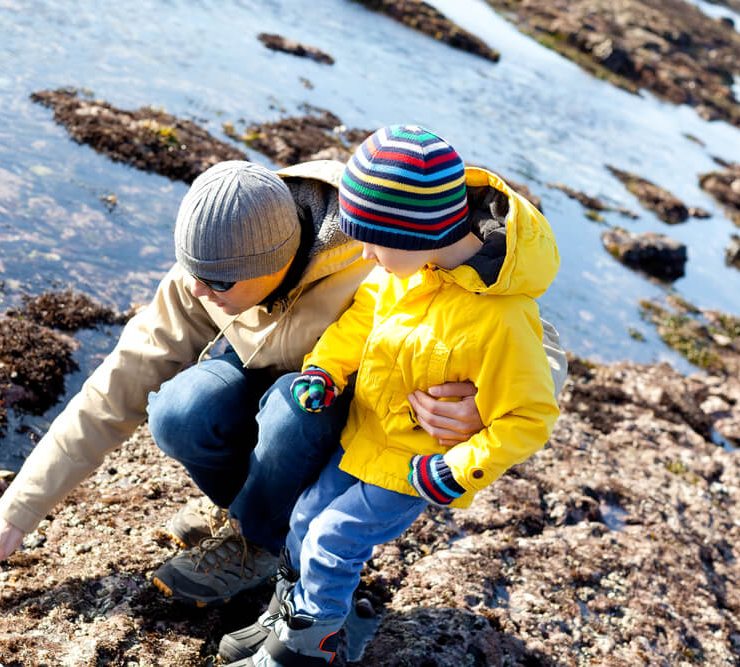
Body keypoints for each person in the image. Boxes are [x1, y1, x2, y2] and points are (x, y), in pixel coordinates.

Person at [0, 157, 568, 606]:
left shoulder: (381, 243)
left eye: (216, 284)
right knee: (179, 411)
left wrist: (484, 410)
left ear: (275, 269)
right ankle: (252, 519)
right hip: (267, 378)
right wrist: (14, 515)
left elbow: (525, 319)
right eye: (190, 272)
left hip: (343, 409)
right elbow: (114, 388)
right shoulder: (213, 259)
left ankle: (259, 544)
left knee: (293, 413)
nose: (195, 291)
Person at [219, 125, 561, 666]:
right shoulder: (409, 271)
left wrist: (458, 469)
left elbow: (531, 416)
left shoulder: (502, 319)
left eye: (374, 241)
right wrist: (325, 371)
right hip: (363, 441)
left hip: (416, 465)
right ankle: (291, 617)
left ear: (417, 233)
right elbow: (360, 321)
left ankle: (307, 652)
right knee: (306, 517)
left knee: (333, 539)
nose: (367, 255)